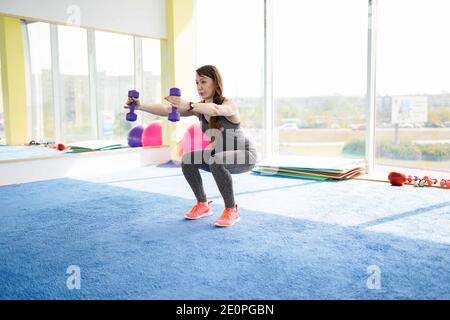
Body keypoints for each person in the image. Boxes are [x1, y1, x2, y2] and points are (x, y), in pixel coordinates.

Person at [125, 65, 258, 227]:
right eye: (196, 83)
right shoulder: (199, 109)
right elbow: (168, 110)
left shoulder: (228, 104)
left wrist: (189, 104)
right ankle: (202, 204)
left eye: (203, 81)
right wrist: (140, 106)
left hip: (244, 155)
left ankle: (231, 209)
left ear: (215, 83)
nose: (199, 87)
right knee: (188, 158)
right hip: (218, 155)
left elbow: (215, 109)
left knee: (216, 159)